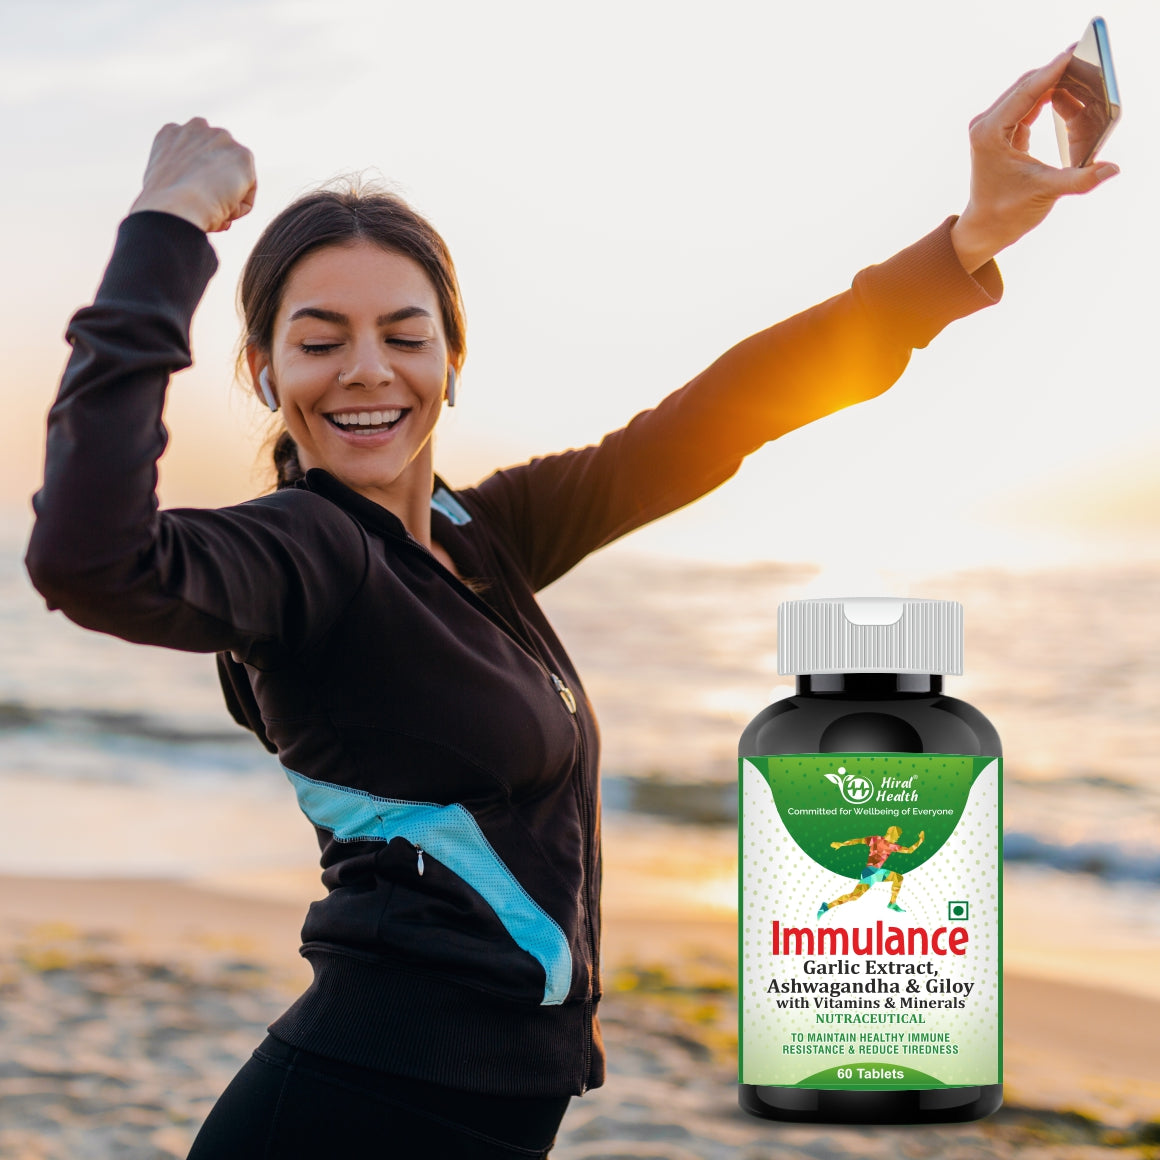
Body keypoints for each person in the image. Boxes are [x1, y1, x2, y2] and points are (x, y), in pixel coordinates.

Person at [24, 47, 1116, 1159]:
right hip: (356, 1105)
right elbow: (87, 555)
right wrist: (164, 227)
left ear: (451, 359)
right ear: (262, 370)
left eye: (404, 335)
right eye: (318, 341)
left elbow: (704, 424)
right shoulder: (302, 554)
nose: (366, 370)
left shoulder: (473, 540)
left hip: (474, 1111)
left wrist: (965, 242)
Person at [818, 824, 926, 917]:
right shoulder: (877, 840)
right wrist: (920, 840)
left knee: (897, 878)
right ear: (891, 833)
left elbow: (909, 851)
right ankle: (826, 906)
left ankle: (892, 903)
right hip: (871, 872)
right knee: (854, 896)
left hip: (874, 873)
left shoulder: (890, 845)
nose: (897, 838)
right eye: (897, 836)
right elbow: (858, 840)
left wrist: (842, 844)